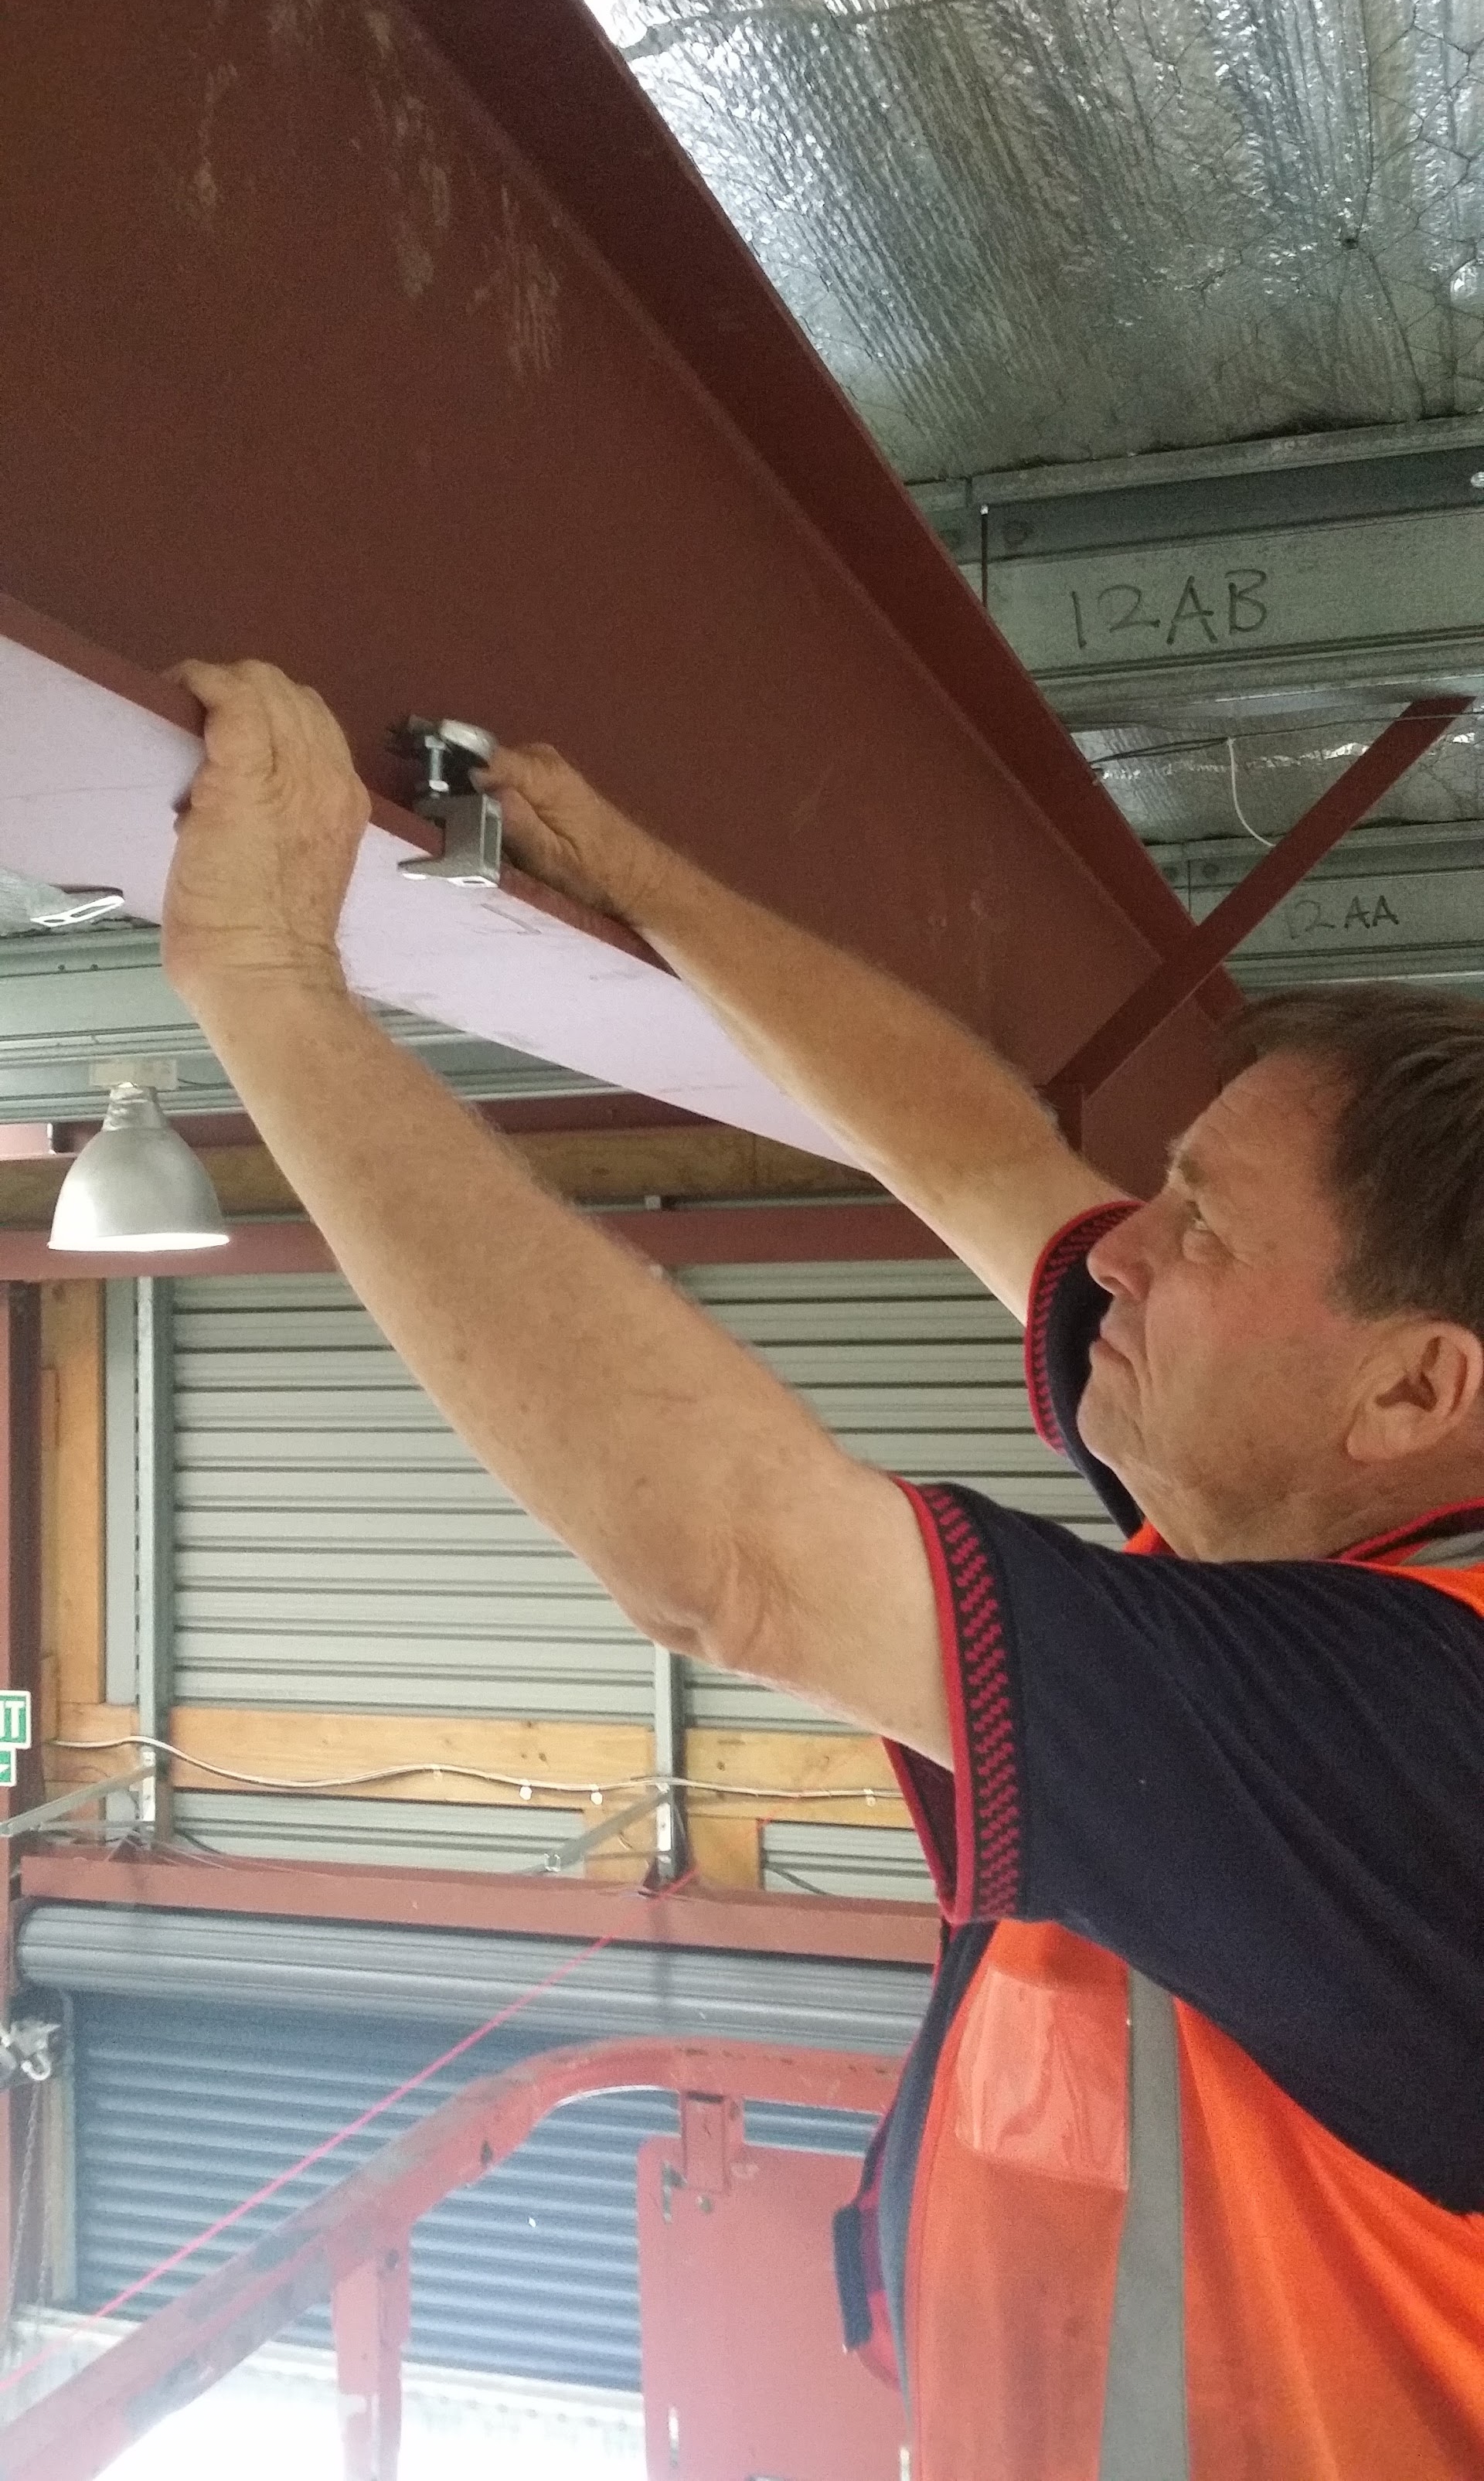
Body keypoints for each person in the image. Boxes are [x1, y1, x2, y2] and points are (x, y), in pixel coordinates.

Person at [165, 660, 1484, 2481]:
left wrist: (269, 982)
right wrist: (635, 871)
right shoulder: (1287, 1500)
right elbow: (970, 1151)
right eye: (1169, 1188)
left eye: (1204, 1228)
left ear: (1412, 1388)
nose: (1121, 1255)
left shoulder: (1423, 1733)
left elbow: (739, 1564)